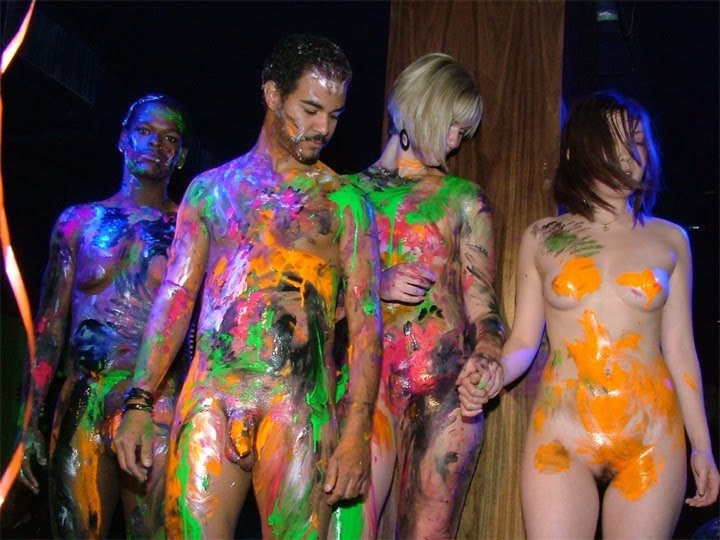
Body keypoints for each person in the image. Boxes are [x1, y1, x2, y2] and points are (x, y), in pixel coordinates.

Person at [113, 34, 383, 538]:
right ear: (272, 94)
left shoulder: (344, 203)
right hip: (210, 401)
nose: (323, 128)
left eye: (335, 115)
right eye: (310, 109)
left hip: (298, 408)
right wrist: (139, 400)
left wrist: (357, 431)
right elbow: (176, 297)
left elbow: (367, 323)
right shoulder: (211, 191)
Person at [457, 91, 720, 538]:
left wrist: (703, 446)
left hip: (651, 438)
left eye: (637, 141)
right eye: (612, 142)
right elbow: (524, 341)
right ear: (576, 152)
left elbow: (680, 349)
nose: (629, 154)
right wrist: (492, 374)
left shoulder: (671, 239)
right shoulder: (542, 237)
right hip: (562, 434)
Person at [333, 53, 504, 539]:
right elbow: (313, 303)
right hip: (362, 386)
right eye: (452, 125)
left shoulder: (463, 198)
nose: (455, 141)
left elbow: (485, 308)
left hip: (443, 388)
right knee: (346, 527)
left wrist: (489, 354)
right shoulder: (345, 194)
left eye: (462, 131)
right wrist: (374, 283)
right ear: (421, 108)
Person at [17, 93, 190, 537]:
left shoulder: (191, 230)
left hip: (155, 403)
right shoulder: (78, 223)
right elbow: (49, 328)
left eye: (169, 138)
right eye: (145, 132)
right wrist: (28, 420)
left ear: (181, 155)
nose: (156, 144)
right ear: (122, 139)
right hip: (82, 399)